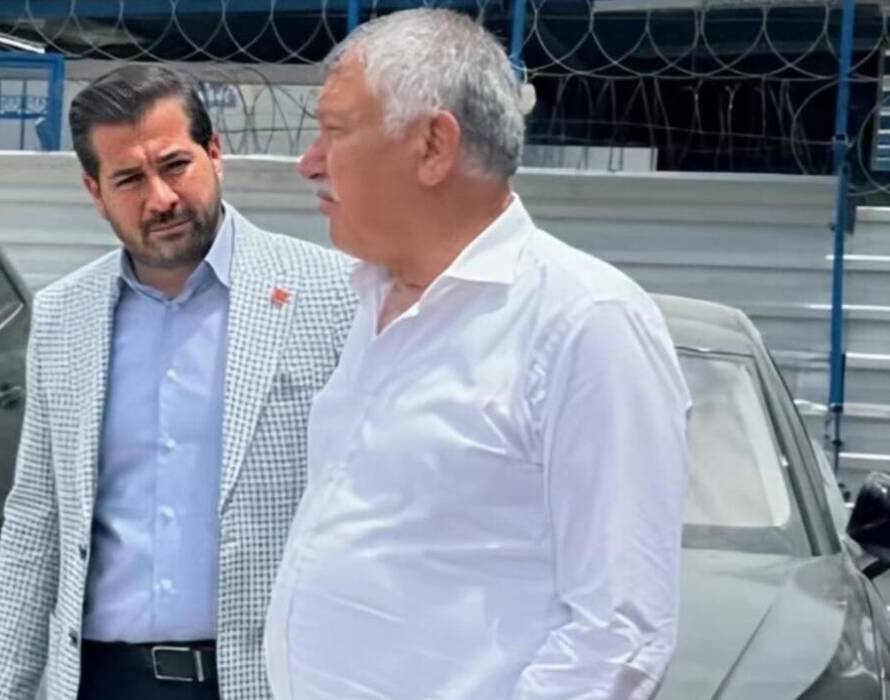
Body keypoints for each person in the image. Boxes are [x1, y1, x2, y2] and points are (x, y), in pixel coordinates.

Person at [263, 8, 691, 700]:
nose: (308, 162)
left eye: (334, 131)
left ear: (434, 146)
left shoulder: (585, 323)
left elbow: (620, 637)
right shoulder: (371, 300)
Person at [0, 65, 356, 700]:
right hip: (101, 681)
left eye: (175, 165)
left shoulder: (332, 296)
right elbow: (37, 519)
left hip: (264, 681)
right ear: (95, 192)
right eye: (128, 179)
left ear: (214, 153)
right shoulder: (64, 315)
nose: (161, 199)